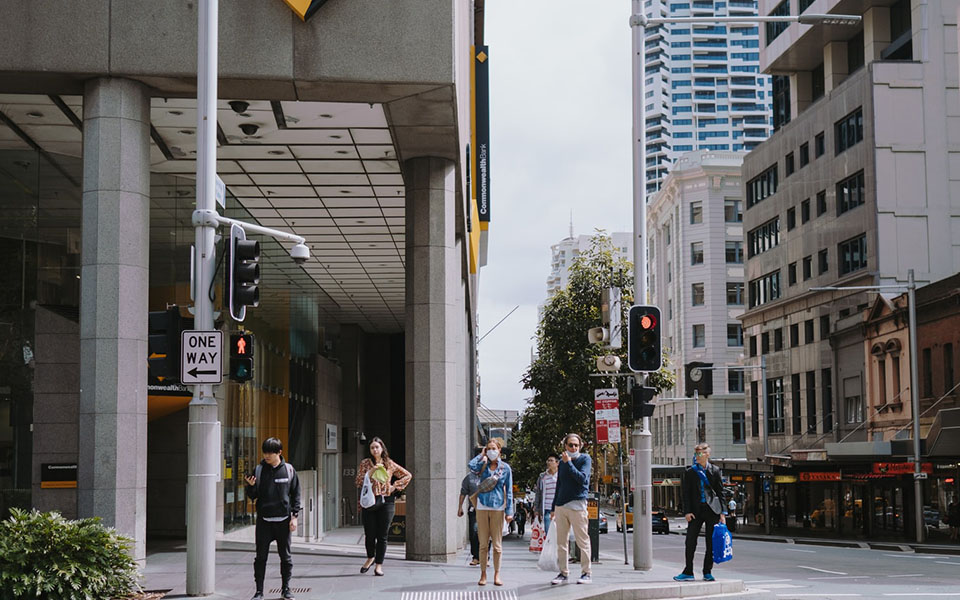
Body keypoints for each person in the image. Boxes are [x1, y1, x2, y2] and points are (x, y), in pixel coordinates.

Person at [244, 437, 302, 600]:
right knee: (260, 557)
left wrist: (295, 516)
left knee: (286, 557)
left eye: (270, 452)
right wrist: (251, 487)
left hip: (283, 522)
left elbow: (296, 494)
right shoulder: (259, 470)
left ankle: (286, 589)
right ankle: (259, 591)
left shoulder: (289, 470)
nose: (266, 456)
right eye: (265, 452)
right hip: (264, 522)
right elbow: (253, 496)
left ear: (279, 453)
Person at [354, 437, 412, 577]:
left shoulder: (389, 464)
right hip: (369, 501)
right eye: (372, 447)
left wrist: (394, 487)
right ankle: (370, 557)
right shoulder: (365, 464)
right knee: (369, 534)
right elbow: (358, 481)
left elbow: (407, 475)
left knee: (382, 535)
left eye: (377, 447)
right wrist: (371, 472)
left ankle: (379, 565)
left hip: (386, 502)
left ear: (382, 449)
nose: (374, 450)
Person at [674, 442, 727, 583]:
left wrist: (723, 513)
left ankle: (707, 572)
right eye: (695, 453)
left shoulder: (715, 470)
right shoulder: (690, 472)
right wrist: (687, 511)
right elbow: (685, 493)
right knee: (690, 541)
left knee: (711, 542)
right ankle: (688, 571)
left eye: (699, 453)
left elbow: (720, 492)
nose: (697, 456)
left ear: (707, 454)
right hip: (695, 512)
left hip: (712, 511)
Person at [469, 437, 514, 587]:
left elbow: (509, 492)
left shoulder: (505, 468)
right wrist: (481, 455)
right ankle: (483, 574)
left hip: (498, 507)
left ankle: (497, 574)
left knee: (497, 545)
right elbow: (471, 466)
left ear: (499, 450)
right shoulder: (482, 465)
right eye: (488, 449)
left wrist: (509, 512)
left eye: (494, 448)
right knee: (483, 543)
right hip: (482, 506)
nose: (491, 451)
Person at [549, 433, 592, 586]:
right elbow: (559, 485)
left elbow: (582, 479)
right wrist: (554, 506)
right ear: (565, 446)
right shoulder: (562, 462)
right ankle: (563, 573)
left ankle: (586, 572)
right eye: (570, 445)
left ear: (580, 446)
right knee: (562, 542)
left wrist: (569, 464)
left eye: (576, 445)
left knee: (582, 540)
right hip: (561, 506)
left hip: (577, 505)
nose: (573, 447)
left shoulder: (585, 459)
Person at [457, 455, 482, 566]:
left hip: (488, 509)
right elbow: (463, 493)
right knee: (474, 533)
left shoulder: (489, 476)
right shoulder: (469, 477)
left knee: (487, 535)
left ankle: (485, 556)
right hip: (474, 510)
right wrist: (460, 507)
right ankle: (476, 557)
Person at [534, 454, 559, 534]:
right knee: (548, 533)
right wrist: (537, 509)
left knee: (559, 534)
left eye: (551, 461)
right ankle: (548, 546)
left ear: (557, 463)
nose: (549, 463)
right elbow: (538, 493)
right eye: (548, 461)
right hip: (547, 509)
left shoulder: (561, 476)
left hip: (559, 509)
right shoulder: (542, 477)